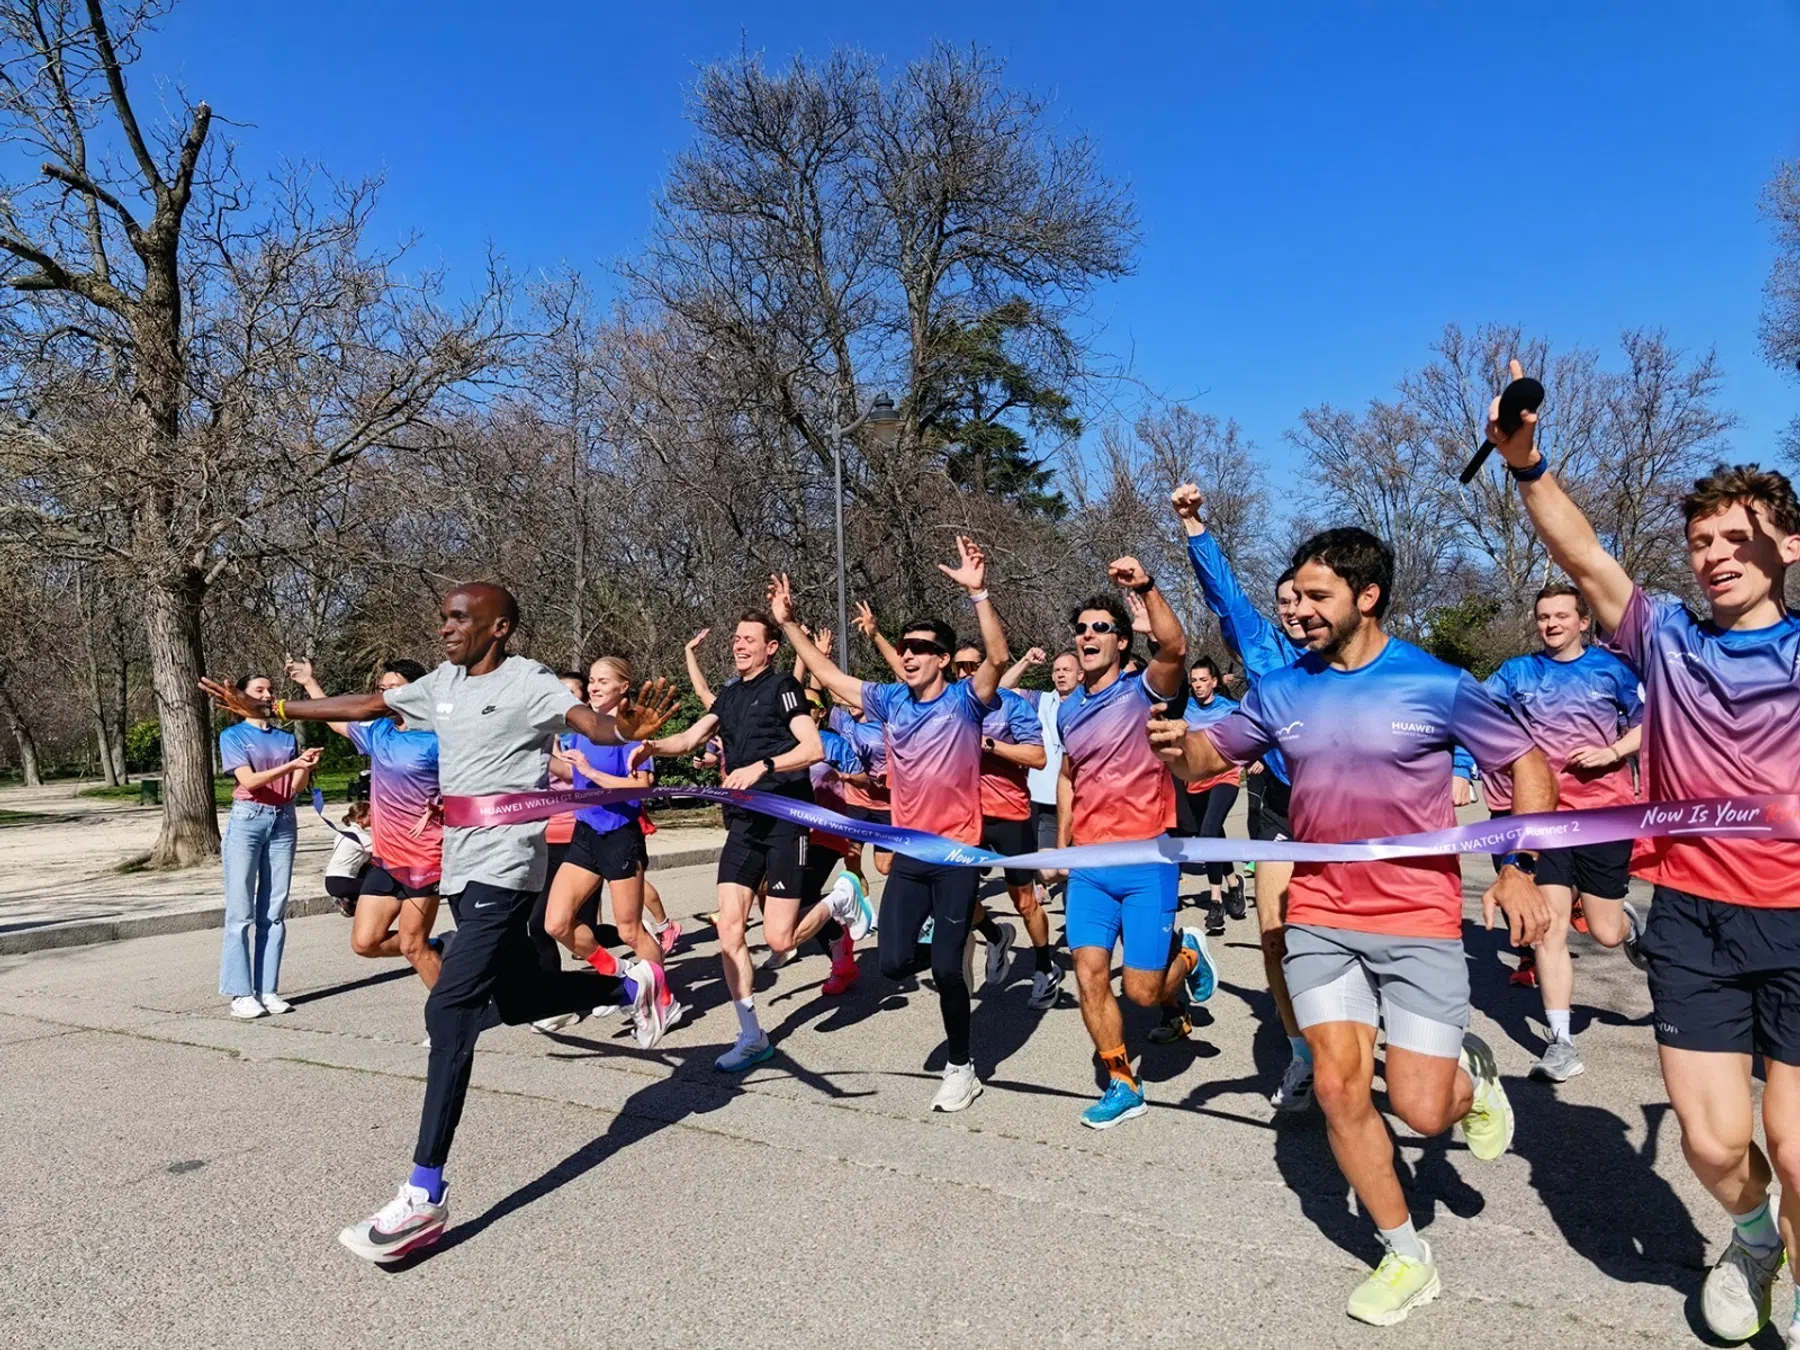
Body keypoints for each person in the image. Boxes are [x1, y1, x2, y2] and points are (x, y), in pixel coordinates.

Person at [200, 582, 680, 1263]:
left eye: (461, 618)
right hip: (460, 867)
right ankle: (628, 986)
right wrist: (273, 705)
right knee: (520, 1001)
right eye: (444, 618)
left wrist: (621, 730)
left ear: (500, 626)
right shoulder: (443, 685)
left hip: (507, 869)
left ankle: (424, 1195)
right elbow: (367, 703)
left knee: (451, 1009)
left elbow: (587, 721)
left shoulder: (529, 682)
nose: (447, 629)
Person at [1150, 526, 1554, 1326]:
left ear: (1367, 598)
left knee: (1423, 1109)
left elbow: (1528, 769)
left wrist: (1517, 868)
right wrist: (1174, 746)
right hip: (1322, 914)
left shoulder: (1438, 684)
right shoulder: (1279, 690)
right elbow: (1206, 759)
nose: (1297, 611)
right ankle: (1407, 1255)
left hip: (1418, 915)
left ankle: (1470, 1083)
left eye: (1316, 596)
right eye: (1293, 596)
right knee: (1338, 1087)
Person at [1486, 361, 1800, 1347]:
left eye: (1736, 537)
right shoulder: (1663, 639)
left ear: (1789, 545)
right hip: (1695, 923)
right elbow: (1583, 556)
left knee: (1795, 1144)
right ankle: (1753, 1238)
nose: (1714, 554)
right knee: (1713, 1144)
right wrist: (1525, 462)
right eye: (1700, 540)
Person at [774, 536, 1008, 1114]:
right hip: (907, 854)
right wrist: (789, 626)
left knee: (948, 968)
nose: (907, 654)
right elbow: (828, 675)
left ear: (944, 659)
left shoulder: (963, 701)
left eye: (921, 647)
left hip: (956, 854)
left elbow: (998, 659)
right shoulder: (889, 701)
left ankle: (962, 1066)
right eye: (903, 646)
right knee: (895, 962)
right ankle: (970, 931)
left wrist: (978, 593)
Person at [630, 612, 872, 1073]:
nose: (739, 645)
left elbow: (812, 749)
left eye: (748, 639)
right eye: (735, 639)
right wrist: (651, 747)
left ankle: (843, 898)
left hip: (785, 820)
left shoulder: (783, 686)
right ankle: (751, 1035)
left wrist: (762, 766)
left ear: (771, 646)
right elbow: (689, 738)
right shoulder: (730, 694)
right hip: (744, 825)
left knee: (780, 938)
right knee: (730, 930)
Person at [1057, 560, 1219, 1128]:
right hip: (1090, 867)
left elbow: (1175, 646)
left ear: (1123, 642)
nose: (1087, 636)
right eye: (1081, 628)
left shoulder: (1141, 688)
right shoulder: (1068, 712)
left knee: (1143, 992)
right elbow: (1072, 781)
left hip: (1148, 859)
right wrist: (1062, 847)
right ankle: (1123, 1081)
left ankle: (1189, 953)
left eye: (1101, 628)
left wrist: (1148, 588)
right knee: (1089, 974)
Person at [1479, 582, 1645, 1083]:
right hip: (1544, 820)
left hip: (1604, 816)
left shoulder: (1612, 670)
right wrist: (1461, 767)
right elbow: (1476, 716)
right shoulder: (1517, 673)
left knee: (1606, 933)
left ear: (1582, 622)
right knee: (1547, 927)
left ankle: (1630, 925)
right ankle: (1562, 1042)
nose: (1550, 624)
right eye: (1543, 616)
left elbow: (1654, 723)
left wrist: (1612, 754)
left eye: (1560, 616)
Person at [539, 656, 684, 1031]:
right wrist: (536, 757)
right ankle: (621, 975)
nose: (594, 686)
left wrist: (592, 772)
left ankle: (664, 999)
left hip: (620, 835)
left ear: (623, 687)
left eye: (604, 680)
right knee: (555, 924)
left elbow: (643, 787)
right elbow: (570, 773)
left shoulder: (633, 727)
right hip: (585, 834)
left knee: (630, 930)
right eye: (591, 679)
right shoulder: (583, 726)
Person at [287, 657, 446, 991]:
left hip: (425, 858)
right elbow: (337, 718)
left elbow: (468, 784)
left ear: (416, 693)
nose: (385, 695)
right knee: (365, 943)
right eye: (382, 689)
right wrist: (310, 684)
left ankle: (455, 1019)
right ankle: (440, 952)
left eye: (394, 689)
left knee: (412, 946)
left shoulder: (438, 737)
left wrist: (442, 805)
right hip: (386, 859)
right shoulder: (380, 730)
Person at [218, 674, 319, 1020]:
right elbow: (248, 781)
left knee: (274, 911)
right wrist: (291, 764)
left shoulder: (285, 738)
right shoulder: (232, 736)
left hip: (283, 820)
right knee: (240, 911)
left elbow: (293, 788)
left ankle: (267, 989)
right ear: (242, 698)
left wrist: (303, 766)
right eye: (259, 690)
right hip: (247, 819)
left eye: (270, 689)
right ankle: (240, 993)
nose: (267, 695)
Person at [1174, 655, 1244, 936]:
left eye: (1204, 680)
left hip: (1225, 777)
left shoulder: (1231, 709)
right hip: (1196, 781)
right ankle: (1234, 882)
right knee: (1214, 834)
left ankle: (1215, 901)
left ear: (1215, 682)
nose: (1198, 685)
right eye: (1194, 681)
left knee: (1208, 832)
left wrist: (1255, 757)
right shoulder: (1185, 709)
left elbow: (1251, 734)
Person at [324, 799, 373, 917]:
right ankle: (353, 904)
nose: (375, 818)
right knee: (379, 886)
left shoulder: (343, 833)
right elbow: (383, 851)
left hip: (331, 880)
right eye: (371, 815)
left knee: (370, 867)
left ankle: (350, 901)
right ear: (360, 818)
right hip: (343, 882)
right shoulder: (359, 836)